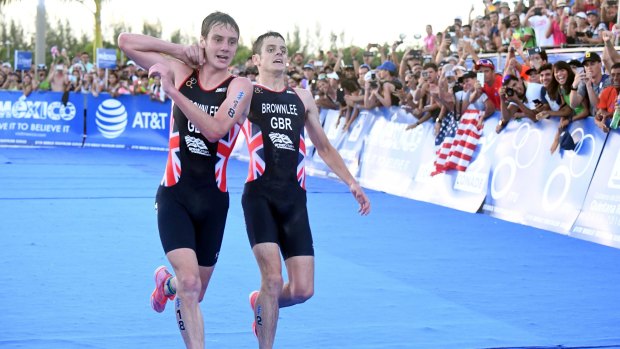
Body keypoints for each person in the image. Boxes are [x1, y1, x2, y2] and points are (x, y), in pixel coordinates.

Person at [151, 31, 370, 349]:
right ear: (256, 59)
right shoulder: (246, 92)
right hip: (259, 197)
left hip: (295, 199)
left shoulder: (302, 98)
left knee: (302, 290)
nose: (279, 54)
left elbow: (322, 146)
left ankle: (260, 303)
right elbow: (215, 112)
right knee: (273, 279)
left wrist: (351, 182)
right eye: (271, 49)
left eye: (283, 49)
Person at [117, 11, 253, 349]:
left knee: (194, 290)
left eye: (231, 42)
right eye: (217, 40)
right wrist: (179, 51)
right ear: (203, 41)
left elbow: (216, 129)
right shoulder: (182, 71)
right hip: (175, 195)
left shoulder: (239, 86)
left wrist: (173, 93)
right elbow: (125, 42)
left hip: (214, 202)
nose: (225, 48)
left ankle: (165, 285)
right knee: (190, 285)